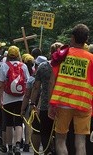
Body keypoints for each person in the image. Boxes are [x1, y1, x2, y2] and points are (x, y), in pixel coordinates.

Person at [48, 23, 93, 155]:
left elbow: (52, 81)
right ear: (86, 40)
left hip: (63, 102)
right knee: (80, 142)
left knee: (61, 139)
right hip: (83, 103)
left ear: (72, 38)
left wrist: (51, 104)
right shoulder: (91, 59)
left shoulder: (62, 55)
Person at [0, 45, 30, 155]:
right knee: (19, 123)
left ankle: (9, 147)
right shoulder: (23, 66)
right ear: (18, 55)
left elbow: (0, 85)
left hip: (7, 99)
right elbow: (28, 83)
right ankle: (18, 145)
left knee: (8, 123)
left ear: (8, 55)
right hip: (21, 98)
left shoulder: (4, 66)